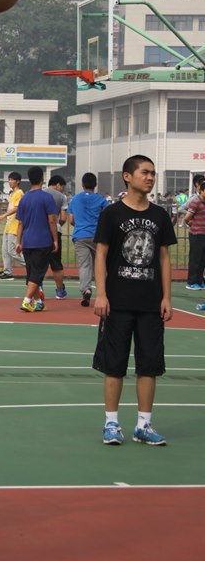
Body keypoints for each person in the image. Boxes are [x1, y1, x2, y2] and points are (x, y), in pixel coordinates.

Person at [93, 155, 177, 447]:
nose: (150, 177)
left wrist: (166, 297)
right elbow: (101, 254)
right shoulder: (112, 214)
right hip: (117, 301)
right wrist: (101, 293)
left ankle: (144, 424)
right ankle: (112, 423)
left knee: (149, 365)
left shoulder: (160, 216)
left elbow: (164, 258)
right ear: (127, 176)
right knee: (114, 365)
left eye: (153, 173)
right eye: (145, 172)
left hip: (151, 303)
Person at [15, 166, 58, 313]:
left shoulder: (24, 198)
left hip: (28, 241)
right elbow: (52, 220)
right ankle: (27, 300)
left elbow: (20, 223)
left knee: (32, 272)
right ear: (42, 179)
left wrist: (18, 241)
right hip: (43, 240)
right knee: (38, 272)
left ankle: (38, 302)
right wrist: (55, 239)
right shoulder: (46, 197)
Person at [67, 172, 110, 306]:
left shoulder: (75, 199)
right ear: (95, 184)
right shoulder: (102, 200)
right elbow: (107, 217)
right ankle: (106, 291)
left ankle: (86, 289)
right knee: (102, 264)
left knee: (84, 265)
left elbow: (71, 220)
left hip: (80, 235)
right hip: (98, 236)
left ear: (82, 184)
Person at [0, 171, 23, 279]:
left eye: (12, 180)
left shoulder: (19, 193)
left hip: (15, 226)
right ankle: (7, 272)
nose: (10, 182)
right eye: (9, 180)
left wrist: (2, 216)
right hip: (8, 225)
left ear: (17, 181)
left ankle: (31, 265)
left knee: (12, 251)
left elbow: (17, 208)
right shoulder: (12, 193)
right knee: (5, 250)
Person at [43, 175, 69, 299]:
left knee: (38, 262)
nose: (62, 189)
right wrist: (58, 224)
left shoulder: (39, 193)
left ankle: (38, 287)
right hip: (55, 231)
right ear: (58, 184)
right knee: (56, 263)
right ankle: (59, 291)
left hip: (39, 232)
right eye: (62, 187)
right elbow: (63, 218)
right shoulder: (62, 197)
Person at [183, 179, 205, 290]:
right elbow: (187, 218)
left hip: (204, 234)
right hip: (196, 234)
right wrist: (194, 225)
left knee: (202, 259)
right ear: (201, 191)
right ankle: (191, 282)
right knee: (195, 259)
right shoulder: (195, 202)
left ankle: (200, 281)